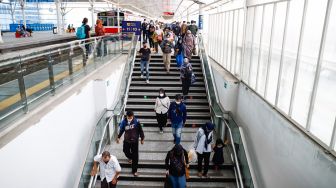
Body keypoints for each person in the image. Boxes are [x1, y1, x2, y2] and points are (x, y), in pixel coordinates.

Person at [116, 110, 145, 176]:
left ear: (133, 116)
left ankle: (134, 170)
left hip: (134, 141)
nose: (129, 119)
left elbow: (141, 131)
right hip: (127, 140)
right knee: (125, 151)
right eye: (128, 117)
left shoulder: (137, 122)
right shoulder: (124, 121)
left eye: (131, 117)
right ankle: (131, 157)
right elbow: (122, 130)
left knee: (135, 156)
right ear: (126, 116)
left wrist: (142, 138)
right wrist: (118, 137)